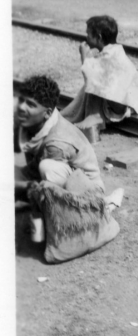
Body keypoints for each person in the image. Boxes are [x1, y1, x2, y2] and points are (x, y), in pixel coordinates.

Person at [15, 75, 119, 263]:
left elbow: (46, 184)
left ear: (46, 113)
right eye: (22, 101)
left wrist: (34, 204)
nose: (22, 107)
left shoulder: (55, 143)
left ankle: (52, 229)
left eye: (30, 105)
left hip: (86, 191)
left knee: (46, 170)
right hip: (65, 174)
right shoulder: (38, 125)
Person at [61, 15, 138, 142]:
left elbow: (90, 79)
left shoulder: (108, 55)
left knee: (93, 81)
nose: (86, 38)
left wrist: (84, 55)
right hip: (121, 100)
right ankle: (79, 114)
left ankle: (94, 117)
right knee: (94, 77)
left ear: (99, 37)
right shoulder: (114, 50)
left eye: (89, 35)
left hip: (120, 105)